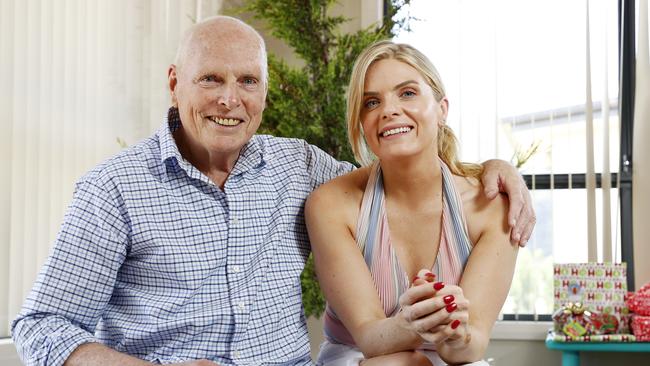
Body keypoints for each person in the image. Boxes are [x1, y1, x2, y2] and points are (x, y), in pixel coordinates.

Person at [11, 16, 532, 366]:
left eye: (248, 81)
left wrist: (495, 168)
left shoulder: (300, 166)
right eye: (210, 79)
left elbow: (399, 168)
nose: (229, 101)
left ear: (264, 90)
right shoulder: (113, 189)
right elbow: (41, 328)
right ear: (174, 83)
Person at [305, 40, 520, 366]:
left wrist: (456, 332)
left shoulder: (490, 206)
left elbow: (469, 347)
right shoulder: (332, 204)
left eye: (407, 93)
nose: (389, 110)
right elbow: (369, 337)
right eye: (372, 102)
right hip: (363, 358)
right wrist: (412, 323)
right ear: (362, 123)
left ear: (442, 109)